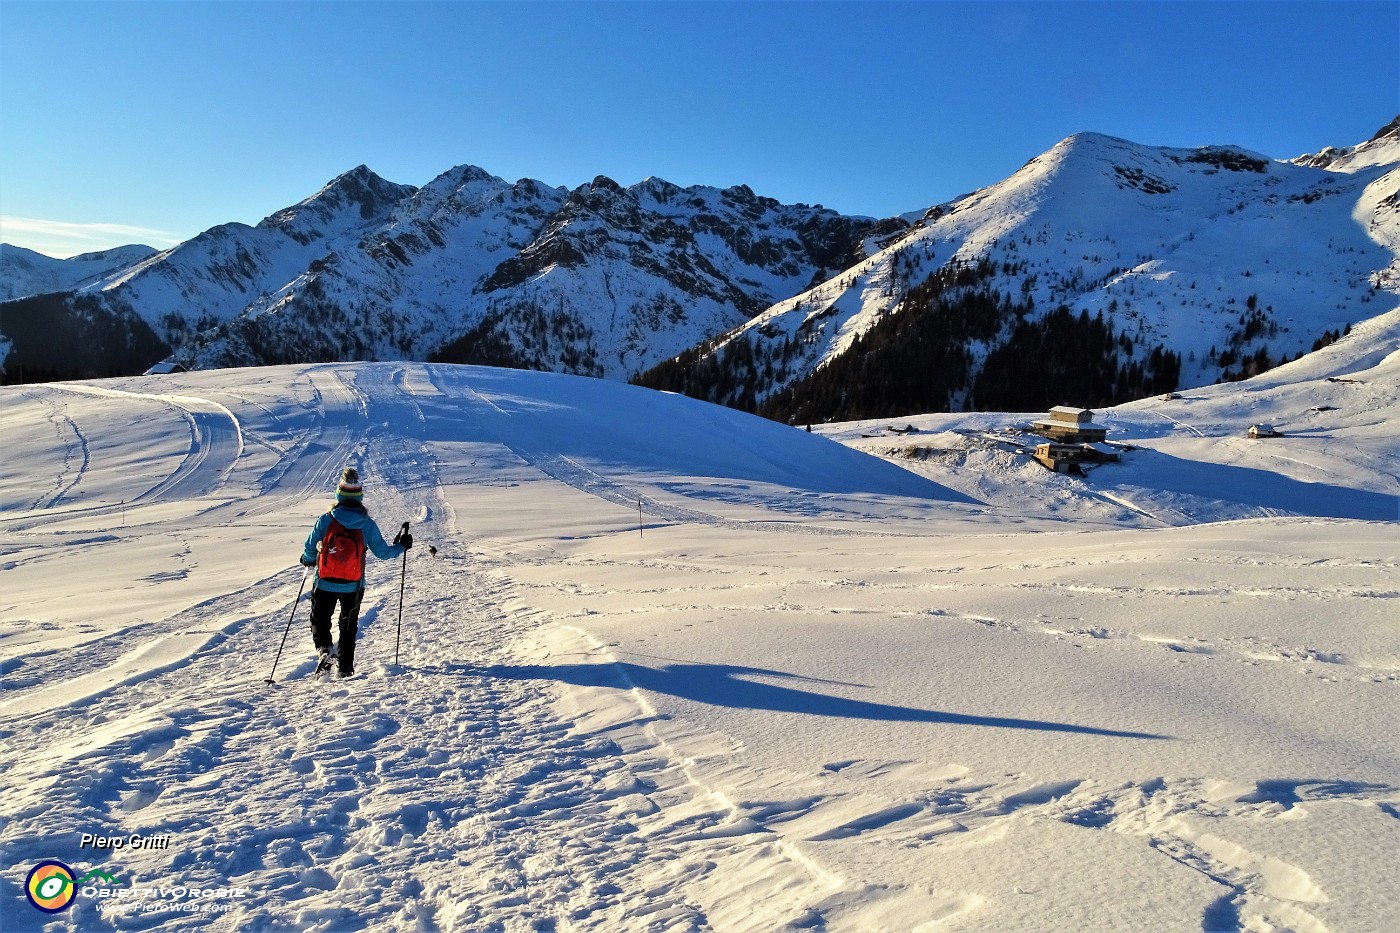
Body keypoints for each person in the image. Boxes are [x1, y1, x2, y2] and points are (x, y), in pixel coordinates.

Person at [299, 467, 411, 676]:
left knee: (320, 619)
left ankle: (324, 649)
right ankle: (345, 670)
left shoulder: (326, 520)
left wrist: (307, 560)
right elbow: (383, 553)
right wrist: (402, 546)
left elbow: (309, 547)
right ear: (359, 496)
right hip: (354, 585)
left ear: (339, 494)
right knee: (348, 626)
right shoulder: (366, 524)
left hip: (324, 582)